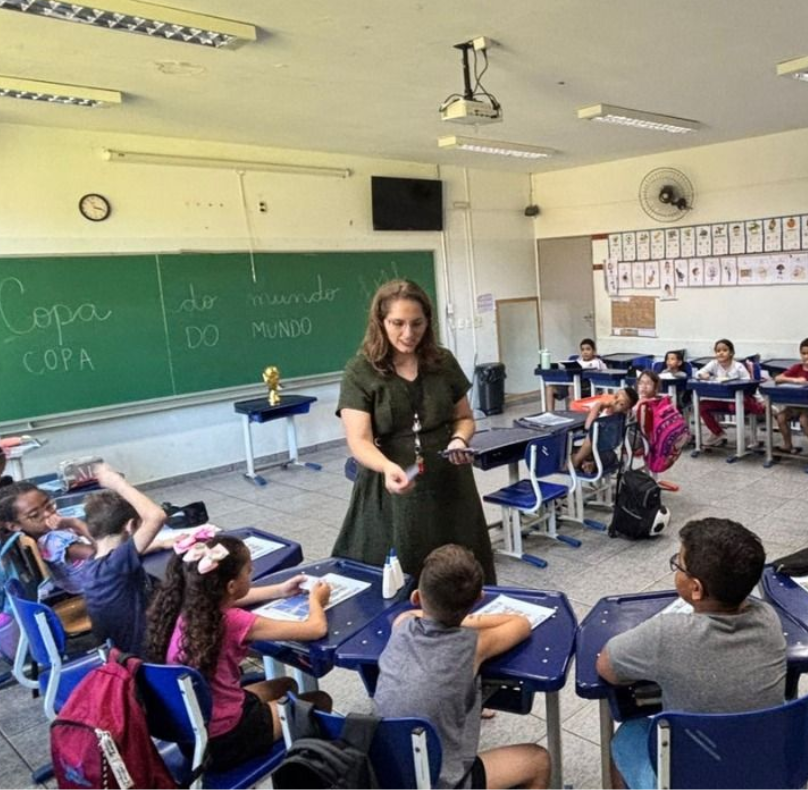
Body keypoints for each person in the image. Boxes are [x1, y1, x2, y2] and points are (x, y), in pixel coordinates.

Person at [597, 518, 786, 789]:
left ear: (696, 588)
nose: (676, 569)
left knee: (628, 734)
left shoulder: (666, 633)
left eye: (679, 565)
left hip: (691, 779)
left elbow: (607, 668)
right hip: (760, 770)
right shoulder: (768, 618)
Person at [333, 280, 496, 583]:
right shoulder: (360, 370)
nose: (408, 334)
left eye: (417, 323)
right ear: (380, 322)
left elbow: (464, 417)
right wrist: (386, 467)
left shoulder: (442, 361)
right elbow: (359, 440)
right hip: (393, 483)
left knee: (458, 571)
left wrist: (459, 438)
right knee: (399, 568)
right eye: (398, 323)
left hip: (448, 482)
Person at [145, 534, 332, 772]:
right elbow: (315, 629)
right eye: (249, 572)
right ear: (231, 586)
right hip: (226, 740)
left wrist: (280, 591)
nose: (251, 575)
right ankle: (305, 771)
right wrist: (317, 600)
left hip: (190, 734)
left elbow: (234, 596)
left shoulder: (185, 605)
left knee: (287, 684)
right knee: (319, 701)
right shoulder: (233, 621)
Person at [374, 545, 551, 790]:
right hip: (437, 784)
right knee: (538, 759)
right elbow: (520, 623)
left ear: (416, 597)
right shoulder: (473, 645)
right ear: (479, 599)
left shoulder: (402, 626)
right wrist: (467, 619)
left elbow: (411, 616)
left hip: (384, 773)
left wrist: (436, 612)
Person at [80, 463, 170, 655]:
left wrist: (160, 544)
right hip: (150, 652)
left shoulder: (95, 565)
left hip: (124, 654)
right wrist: (116, 482)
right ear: (131, 526)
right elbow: (156, 516)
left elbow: (123, 554)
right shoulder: (116, 565)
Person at [0, 481, 93, 594]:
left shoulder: (39, 536)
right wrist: (76, 523)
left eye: (49, 505)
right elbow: (105, 554)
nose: (48, 514)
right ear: (14, 526)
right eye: (35, 515)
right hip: (100, 585)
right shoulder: (56, 541)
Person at [695, 339, 765, 447]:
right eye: (718, 351)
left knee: (735, 406)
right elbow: (698, 373)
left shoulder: (739, 366)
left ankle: (762, 409)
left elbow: (750, 385)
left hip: (739, 399)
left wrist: (761, 400)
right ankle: (718, 433)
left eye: (724, 350)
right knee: (701, 406)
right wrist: (701, 375)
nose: (721, 353)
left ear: (731, 353)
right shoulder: (713, 364)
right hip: (721, 400)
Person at [772, 337, 808, 454]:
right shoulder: (797, 367)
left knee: (803, 419)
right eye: (803, 353)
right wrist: (795, 380)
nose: (806, 357)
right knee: (781, 417)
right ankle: (788, 445)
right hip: (796, 404)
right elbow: (777, 378)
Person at [571, 386, 636, 471]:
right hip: (607, 454)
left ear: (626, 410)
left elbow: (588, 426)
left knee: (590, 436)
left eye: (621, 404)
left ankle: (577, 461)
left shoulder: (609, 419)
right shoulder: (618, 418)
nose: (615, 402)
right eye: (615, 397)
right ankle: (584, 463)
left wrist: (598, 405)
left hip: (600, 456)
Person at [547, 338, 607, 409]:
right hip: (571, 383)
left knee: (571, 387)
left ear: (594, 351)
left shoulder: (598, 362)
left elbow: (605, 375)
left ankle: (573, 412)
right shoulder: (577, 361)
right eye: (583, 350)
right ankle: (550, 413)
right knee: (550, 388)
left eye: (588, 349)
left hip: (587, 387)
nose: (585, 352)